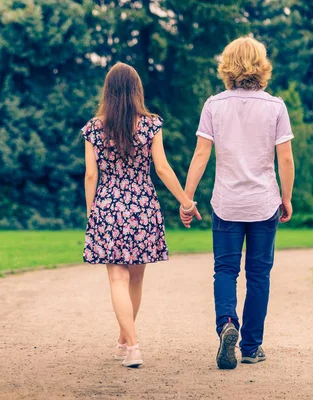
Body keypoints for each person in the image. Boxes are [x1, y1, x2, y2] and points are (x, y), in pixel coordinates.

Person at [180, 37, 295, 369]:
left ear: (227, 65)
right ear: (262, 64)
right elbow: (285, 159)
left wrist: (188, 199)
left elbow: (201, 154)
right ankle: (251, 347)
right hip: (263, 203)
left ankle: (227, 322)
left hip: (227, 203)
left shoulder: (214, 105)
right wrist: (286, 198)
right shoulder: (275, 106)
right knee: (259, 274)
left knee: (225, 270)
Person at [81, 62, 200, 368]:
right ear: (136, 91)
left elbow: (91, 176)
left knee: (116, 278)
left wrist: (91, 213)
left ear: (108, 91)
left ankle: (129, 344)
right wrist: (186, 201)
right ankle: (127, 342)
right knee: (135, 278)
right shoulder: (151, 125)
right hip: (142, 206)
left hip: (108, 205)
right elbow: (161, 168)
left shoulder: (94, 128)